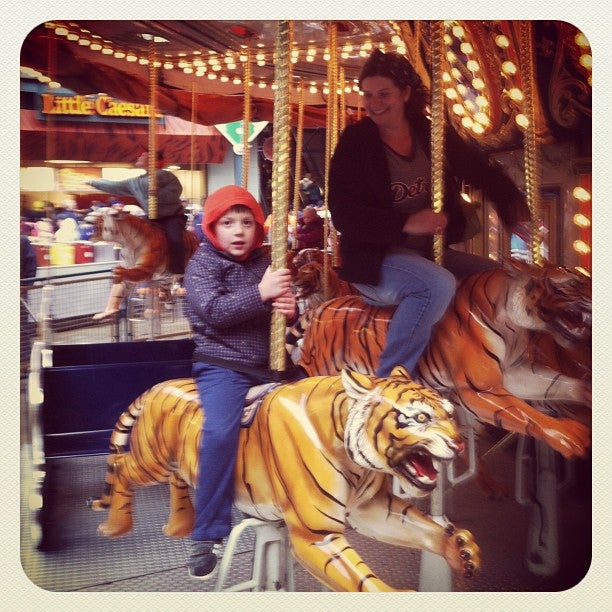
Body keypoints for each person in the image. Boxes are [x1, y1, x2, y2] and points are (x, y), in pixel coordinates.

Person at [328, 49, 528, 377]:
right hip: (376, 260)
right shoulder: (355, 143)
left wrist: (512, 205)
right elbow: (344, 213)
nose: (374, 103)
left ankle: (482, 370)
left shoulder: (428, 132)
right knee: (436, 285)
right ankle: (392, 383)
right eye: (368, 95)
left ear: (405, 93)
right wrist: (406, 222)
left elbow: (475, 167)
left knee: (500, 279)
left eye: (384, 94)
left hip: (427, 254)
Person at [183, 185, 299, 580]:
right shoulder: (202, 265)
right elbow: (215, 311)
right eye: (228, 223)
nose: (238, 231)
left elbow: (278, 315)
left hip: (269, 364)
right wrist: (263, 292)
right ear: (212, 227)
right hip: (222, 366)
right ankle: (208, 531)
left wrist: (289, 308)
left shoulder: (266, 261)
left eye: (247, 222)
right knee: (218, 433)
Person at [86, 150, 187, 276]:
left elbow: (175, 192)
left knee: (175, 238)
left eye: (143, 155)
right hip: (151, 217)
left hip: (171, 217)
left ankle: (178, 272)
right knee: (135, 235)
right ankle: (136, 264)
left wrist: (157, 195)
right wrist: (93, 182)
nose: (139, 157)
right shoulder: (136, 182)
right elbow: (115, 186)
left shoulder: (166, 175)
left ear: (153, 160)